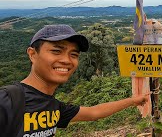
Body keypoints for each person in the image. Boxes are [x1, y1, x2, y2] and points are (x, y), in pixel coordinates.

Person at [0, 24, 149, 137]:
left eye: (74, 54)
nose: (66, 60)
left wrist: (133, 101)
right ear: (32, 54)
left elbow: (93, 113)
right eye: (56, 51)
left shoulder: (53, 106)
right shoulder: (7, 101)